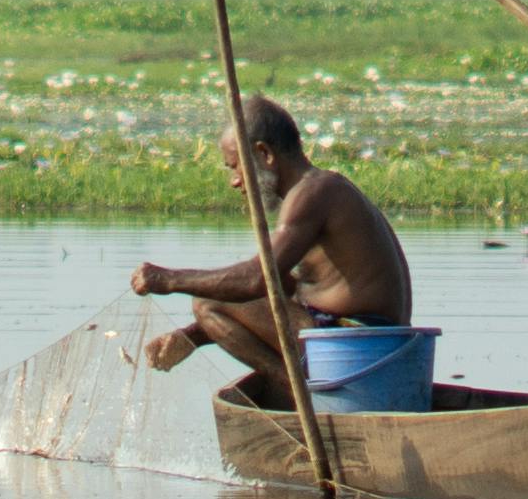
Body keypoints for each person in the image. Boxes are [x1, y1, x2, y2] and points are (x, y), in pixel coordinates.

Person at [131, 95, 411, 382]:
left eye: (235, 166)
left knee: (206, 300)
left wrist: (167, 280)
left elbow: (256, 280)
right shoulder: (313, 193)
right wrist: (190, 337)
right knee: (214, 302)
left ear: (264, 154)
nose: (235, 181)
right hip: (367, 347)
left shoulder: (313, 193)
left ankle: (291, 389)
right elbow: (281, 288)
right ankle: (293, 386)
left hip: (359, 348)